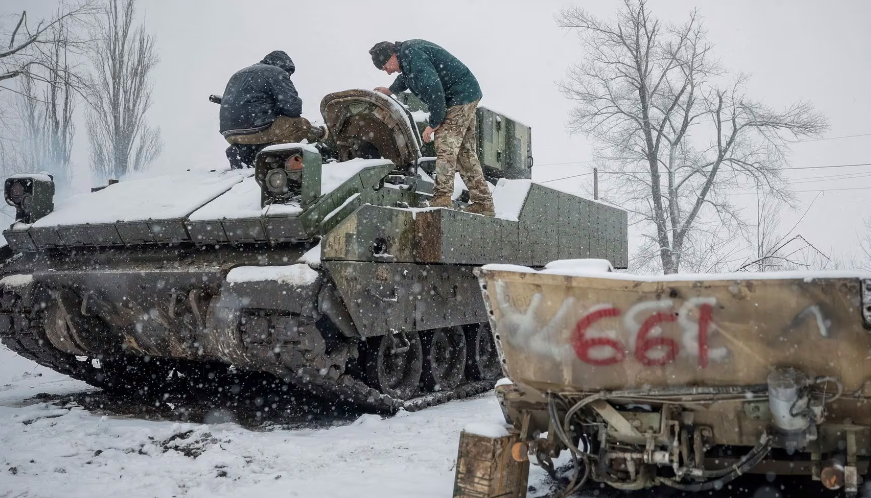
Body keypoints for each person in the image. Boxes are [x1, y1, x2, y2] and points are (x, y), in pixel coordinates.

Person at [369, 40, 494, 216]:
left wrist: (434, 123)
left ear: (391, 56)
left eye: (385, 66)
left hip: (458, 97)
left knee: (445, 146)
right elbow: (407, 77)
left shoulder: (413, 56)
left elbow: (434, 89)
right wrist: (390, 90)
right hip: (465, 93)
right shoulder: (408, 57)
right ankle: (483, 203)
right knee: (465, 153)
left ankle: (442, 198)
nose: (387, 71)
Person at [219, 50, 326, 169]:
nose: (288, 75)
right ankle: (267, 153)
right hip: (258, 129)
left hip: (230, 133)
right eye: (288, 72)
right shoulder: (276, 72)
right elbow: (293, 108)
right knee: (301, 124)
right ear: (283, 65)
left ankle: (243, 151)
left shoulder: (238, 74)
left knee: (264, 130)